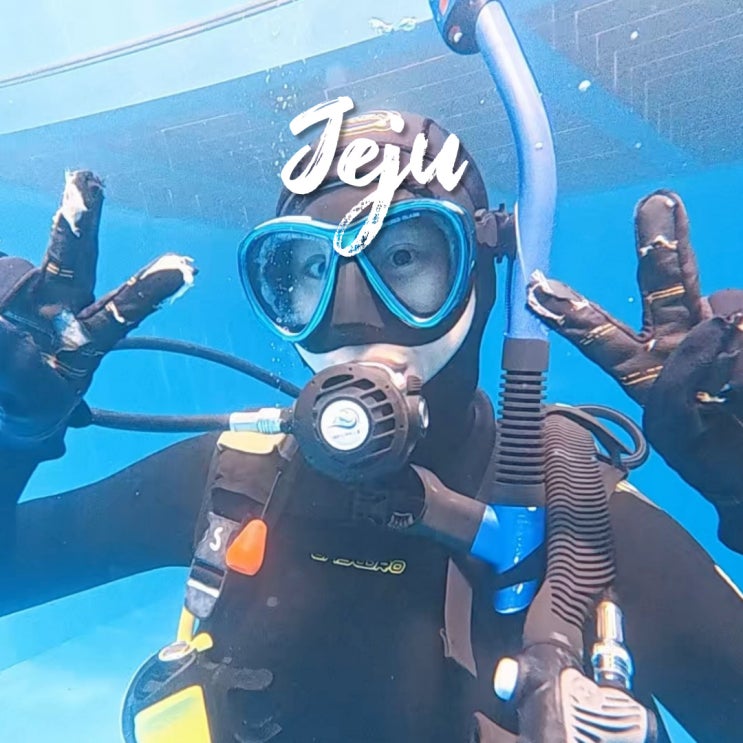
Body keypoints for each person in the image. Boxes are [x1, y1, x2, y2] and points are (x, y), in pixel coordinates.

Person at [0, 114, 741, 743]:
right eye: (309, 271)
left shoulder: (581, 521)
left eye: (404, 257)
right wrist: (12, 435)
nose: (352, 312)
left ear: (481, 281)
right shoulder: (233, 480)